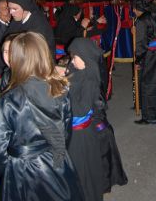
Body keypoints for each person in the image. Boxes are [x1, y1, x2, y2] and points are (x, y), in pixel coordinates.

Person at [0, 31, 84, 200]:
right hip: (57, 163)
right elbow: (66, 134)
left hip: (23, 172)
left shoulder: (8, 102)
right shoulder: (59, 89)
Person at [66, 37, 105, 201]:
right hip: (74, 132)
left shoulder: (90, 79)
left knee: (83, 170)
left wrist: (64, 94)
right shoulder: (78, 71)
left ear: (85, 57)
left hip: (81, 134)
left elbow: (81, 109)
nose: (71, 60)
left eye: (74, 57)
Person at [132, 0, 156, 125]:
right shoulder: (154, 14)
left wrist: (138, 61)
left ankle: (149, 116)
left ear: (135, 9)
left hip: (150, 54)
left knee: (147, 83)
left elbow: (141, 44)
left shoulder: (141, 20)